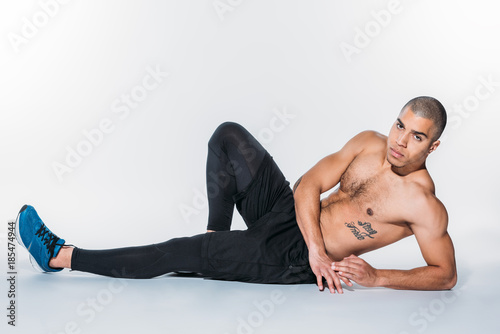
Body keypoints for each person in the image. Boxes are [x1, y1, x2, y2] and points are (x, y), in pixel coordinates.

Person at [15, 96, 457, 293]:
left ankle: (60, 256)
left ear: (432, 146)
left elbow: (445, 274)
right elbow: (308, 186)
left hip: (290, 257)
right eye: (400, 125)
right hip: (291, 215)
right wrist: (318, 243)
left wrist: (378, 278)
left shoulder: (423, 205)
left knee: (175, 252)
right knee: (228, 136)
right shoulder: (368, 143)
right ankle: (217, 244)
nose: (400, 141)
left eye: (416, 136)